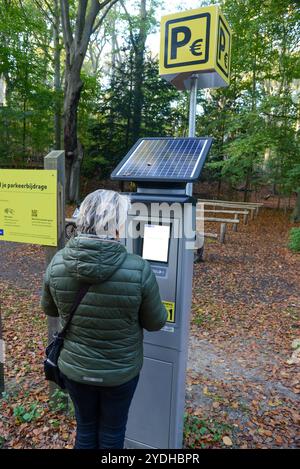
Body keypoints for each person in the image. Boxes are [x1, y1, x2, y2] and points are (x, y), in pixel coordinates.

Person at [41, 189, 167, 449]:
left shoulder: (58, 263)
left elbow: (50, 310)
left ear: (83, 218)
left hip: (75, 370)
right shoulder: (139, 269)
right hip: (119, 374)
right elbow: (156, 322)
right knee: (112, 434)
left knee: (85, 430)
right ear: (117, 224)